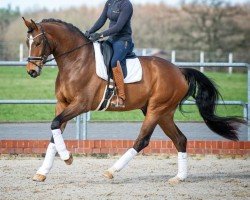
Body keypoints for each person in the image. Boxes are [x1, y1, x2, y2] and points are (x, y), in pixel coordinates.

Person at [85, 0, 134, 108]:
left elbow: (118, 27)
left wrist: (101, 35)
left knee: (114, 62)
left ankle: (121, 96)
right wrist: (89, 32)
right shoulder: (109, 2)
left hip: (123, 40)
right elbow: (101, 20)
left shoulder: (126, 4)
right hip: (111, 39)